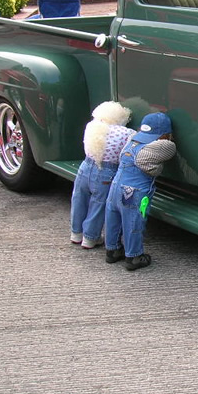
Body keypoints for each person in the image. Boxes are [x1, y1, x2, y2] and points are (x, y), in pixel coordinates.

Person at [104, 112, 176, 270]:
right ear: (164, 135)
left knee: (113, 217)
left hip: (115, 186)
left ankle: (112, 250)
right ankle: (134, 256)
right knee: (133, 221)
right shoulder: (158, 146)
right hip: (133, 192)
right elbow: (169, 149)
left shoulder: (132, 140)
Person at [70, 101, 135, 248]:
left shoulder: (91, 126)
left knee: (79, 199)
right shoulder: (126, 133)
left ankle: (76, 233)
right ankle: (90, 238)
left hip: (85, 166)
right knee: (98, 204)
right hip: (107, 171)